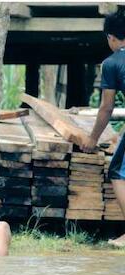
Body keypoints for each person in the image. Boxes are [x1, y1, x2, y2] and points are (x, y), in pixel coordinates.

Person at [80, 11, 125, 246]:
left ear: (111, 37)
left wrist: (92, 138)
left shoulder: (113, 62)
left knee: (118, 171)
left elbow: (106, 108)